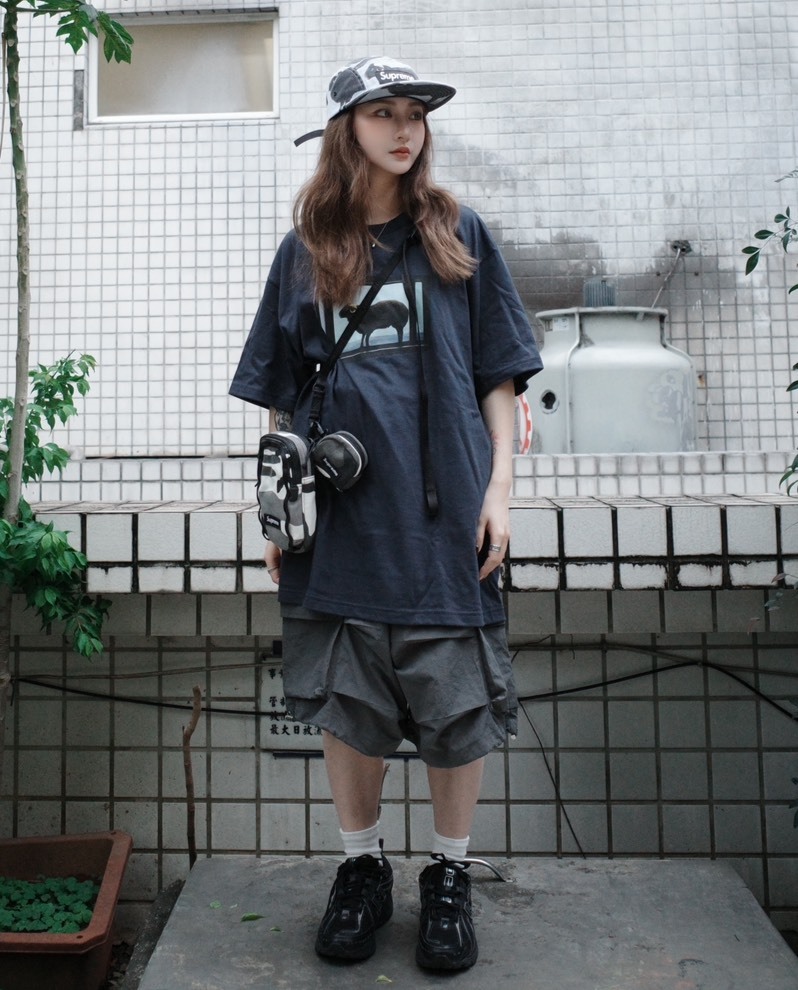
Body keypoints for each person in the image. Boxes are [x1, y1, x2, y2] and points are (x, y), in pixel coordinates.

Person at [230, 55, 542, 972]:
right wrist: (277, 516)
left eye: (415, 114)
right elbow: (283, 397)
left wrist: (499, 492)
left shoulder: (457, 232)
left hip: (445, 521)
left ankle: (447, 875)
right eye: (383, 115)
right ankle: (361, 868)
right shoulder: (305, 249)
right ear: (346, 131)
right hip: (338, 521)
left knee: (456, 704)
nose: (405, 130)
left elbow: (498, 377)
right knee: (347, 703)